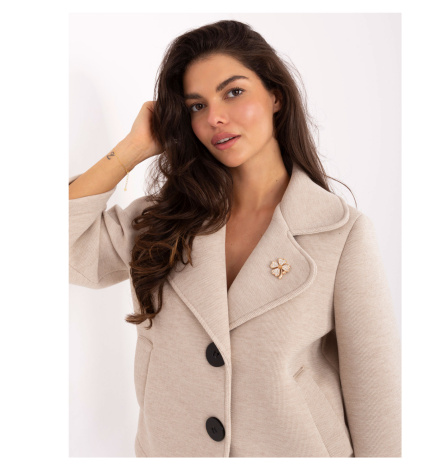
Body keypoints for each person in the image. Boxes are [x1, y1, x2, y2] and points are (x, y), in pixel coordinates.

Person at [69, 20, 401, 458]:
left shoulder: (341, 234)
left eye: (234, 92)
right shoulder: (159, 220)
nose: (214, 118)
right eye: (196, 106)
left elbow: (377, 401)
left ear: (276, 96)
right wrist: (132, 148)